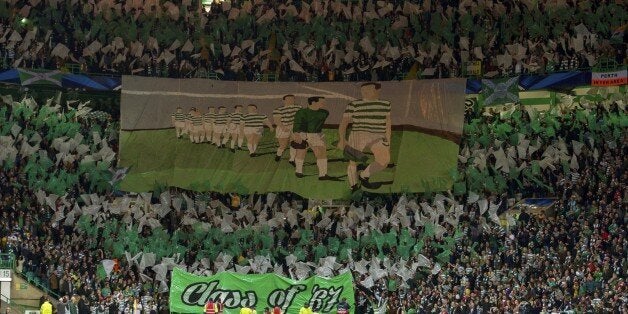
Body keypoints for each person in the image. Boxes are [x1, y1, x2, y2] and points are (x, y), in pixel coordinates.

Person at [337, 82, 391, 190]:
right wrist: (342, 139)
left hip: (377, 135)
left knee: (384, 161)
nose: (364, 92)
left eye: (368, 90)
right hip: (358, 134)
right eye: (363, 90)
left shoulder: (385, 104)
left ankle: (364, 175)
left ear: (377, 90)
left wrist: (388, 141)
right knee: (352, 161)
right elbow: (344, 123)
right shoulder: (354, 104)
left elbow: (388, 123)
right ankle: (353, 186)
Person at [292, 96, 331, 180]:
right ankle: (298, 171)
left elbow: (317, 124)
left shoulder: (324, 112)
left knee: (321, 152)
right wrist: (297, 135)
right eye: (322, 102)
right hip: (303, 133)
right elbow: (297, 124)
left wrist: (320, 135)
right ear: (313, 102)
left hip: (317, 134)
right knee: (301, 152)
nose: (324, 104)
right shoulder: (301, 112)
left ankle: (323, 174)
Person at [273, 95, 301, 163]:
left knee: (294, 143)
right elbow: (276, 121)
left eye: (292, 99)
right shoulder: (278, 110)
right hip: (283, 127)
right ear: (284, 101)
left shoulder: (299, 107)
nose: (290, 101)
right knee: (283, 145)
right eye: (288, 99)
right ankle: (278, 154)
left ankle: (292, 159)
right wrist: (283, 127)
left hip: (294, 127)